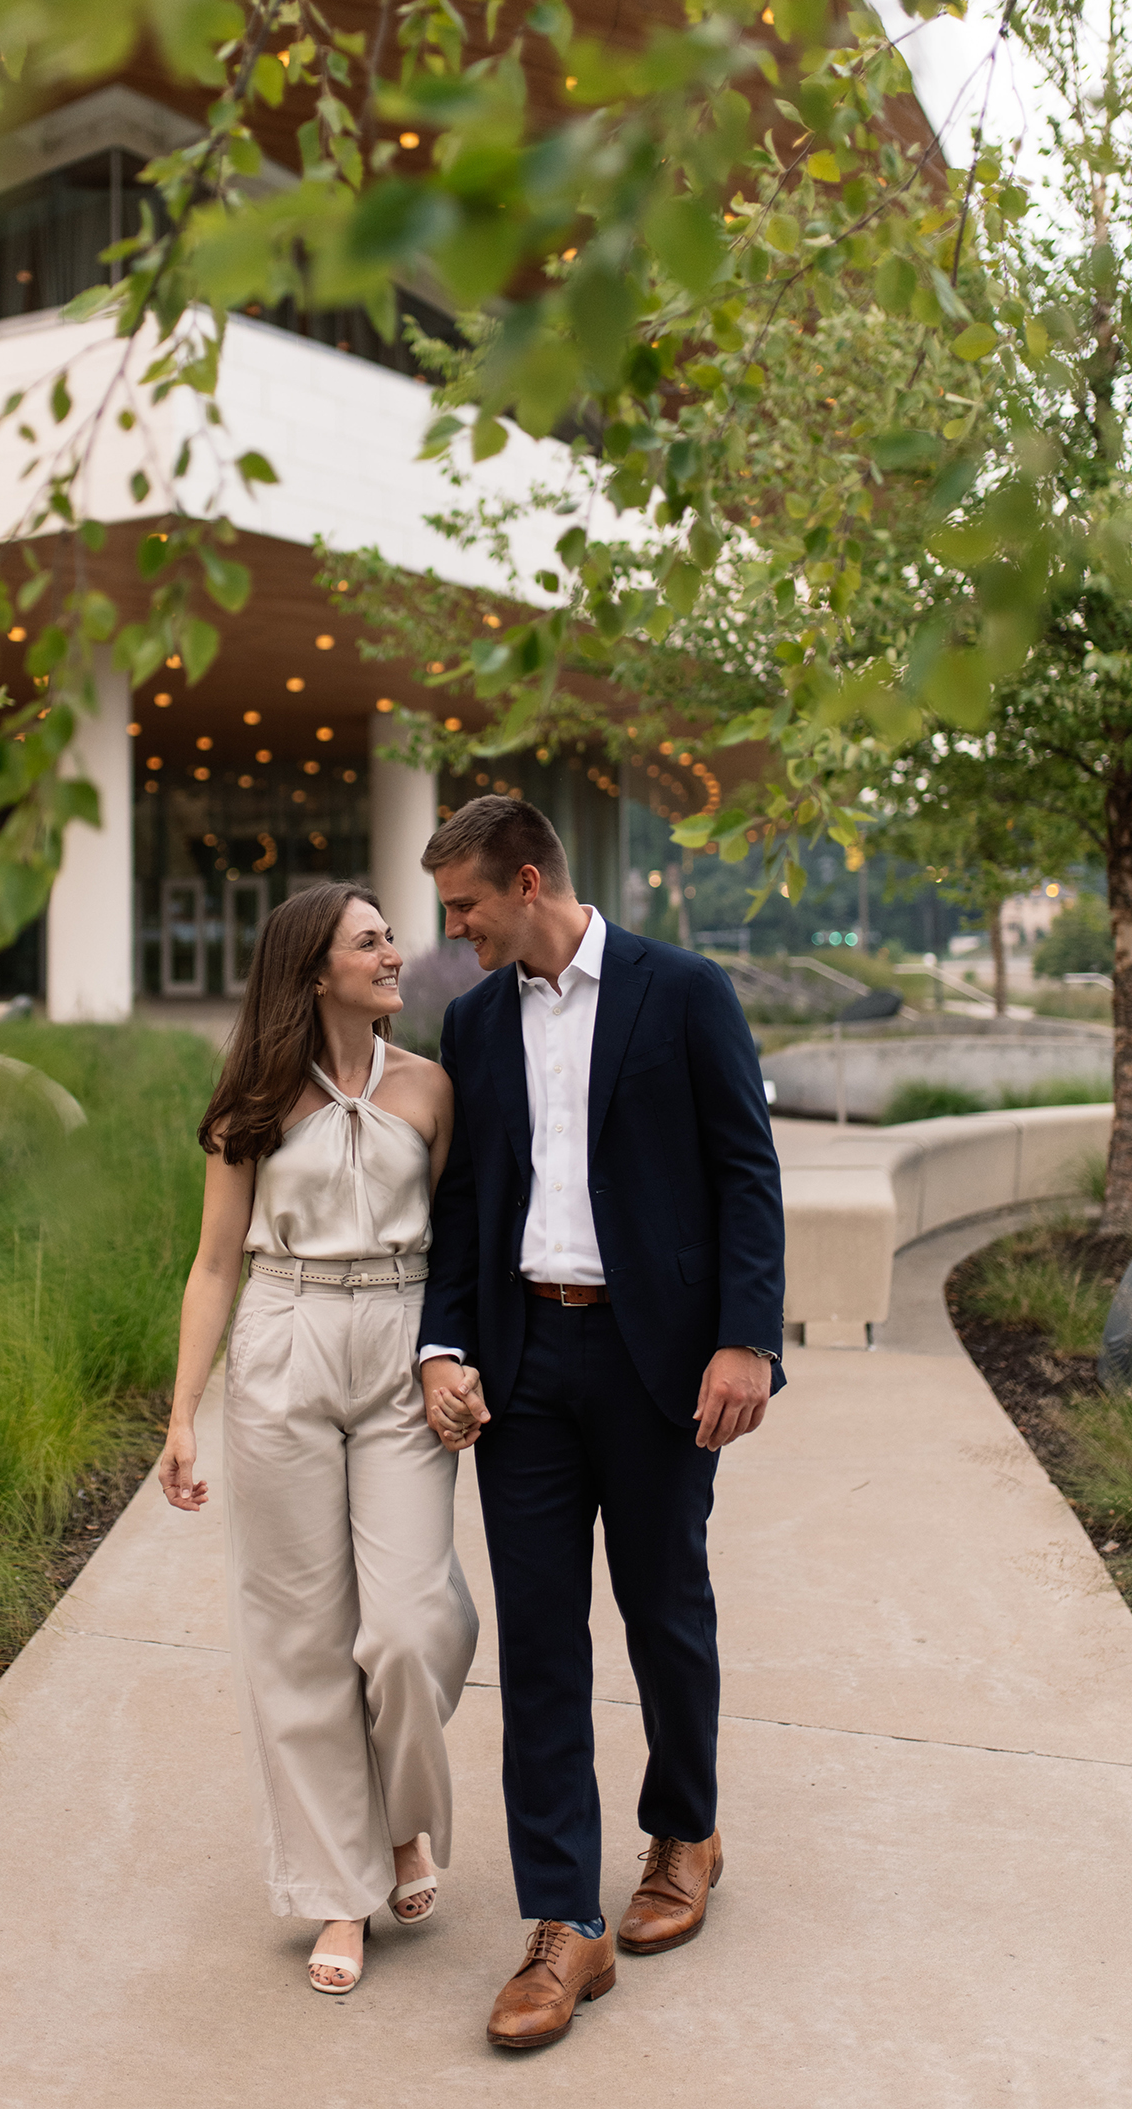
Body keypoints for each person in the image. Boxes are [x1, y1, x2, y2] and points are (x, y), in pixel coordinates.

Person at [416, 795, 785, 2049]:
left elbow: (745, 1170)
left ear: (528, 880)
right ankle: (563, 1921)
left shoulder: (680, 990)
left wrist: (746, 1340)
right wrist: (443, 1345)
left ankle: (684, 1830)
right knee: (536, 1646)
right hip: (522, 1365)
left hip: (655, 1362)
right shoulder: (472, 1023)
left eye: (465, 905)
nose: (453, 929)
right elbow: (462, 1203)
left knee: (663, 1608)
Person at [161, 879, 479, 1997]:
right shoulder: (253, 1097)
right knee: (300, 1636)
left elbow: (461, 1249)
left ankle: (402, 1818)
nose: (396, 952)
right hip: (283, 1335)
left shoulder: (432, 1089)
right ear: (313, 971)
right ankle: (338, 1889)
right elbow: (212, 1262)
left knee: (402, 1625)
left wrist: (456, 1355)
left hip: (397, 1339)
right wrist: (181, 1415)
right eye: (370, 940)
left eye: (390, 935)